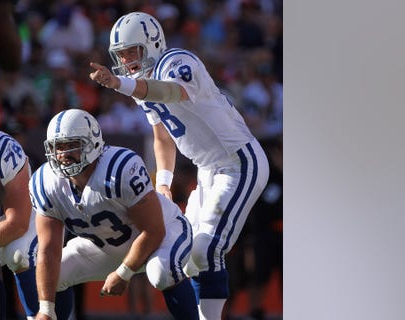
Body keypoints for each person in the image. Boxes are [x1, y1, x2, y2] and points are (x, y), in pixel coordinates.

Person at [88, 11, 270, 319]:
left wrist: (120, 84)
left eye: (133, 51)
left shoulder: (177, 62)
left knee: (206, 249)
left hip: (238, 162)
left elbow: (171, 92)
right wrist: (163, 184)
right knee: (188, 259)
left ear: (152, 43)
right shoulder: (139, 86)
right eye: (122, 55)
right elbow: (162, 138)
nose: (128, 60)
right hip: (208, 170)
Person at [29, 109, 199, 320]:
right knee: (55, 274)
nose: (62, 155)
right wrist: (45, 310)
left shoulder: (119, 168)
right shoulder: (45, 183)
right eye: (57, 147)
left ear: (92, 144)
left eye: (71, 145)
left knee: (161, 272)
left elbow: (153, 231)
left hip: (163, 234)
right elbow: (48, 251)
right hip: (106, 245)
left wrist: (124, 273)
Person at [0, 130, 39, 320]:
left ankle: (40, 314)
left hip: (12, 218)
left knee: (18, 254)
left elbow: (17, 223)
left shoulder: (3, 149)